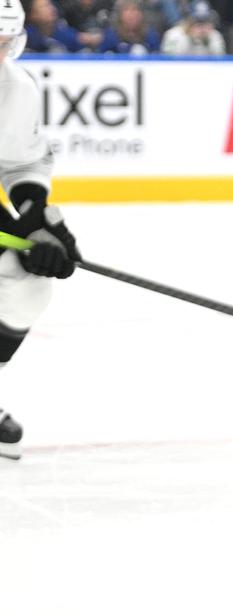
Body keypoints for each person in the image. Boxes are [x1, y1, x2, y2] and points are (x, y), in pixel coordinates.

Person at [0, 0, 83, 460]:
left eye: (4, 44)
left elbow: (22, 163)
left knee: (27, 283)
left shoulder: (16, 87)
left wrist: (37, 219)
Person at [161, 0, 225, 55]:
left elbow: (219, 61)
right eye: (197, 23)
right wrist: (190, 38)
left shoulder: (214, 35)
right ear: (189, 21)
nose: (202, 27)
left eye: (205, 22)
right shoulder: (174, 34)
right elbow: (168, 61)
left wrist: (207, 41)